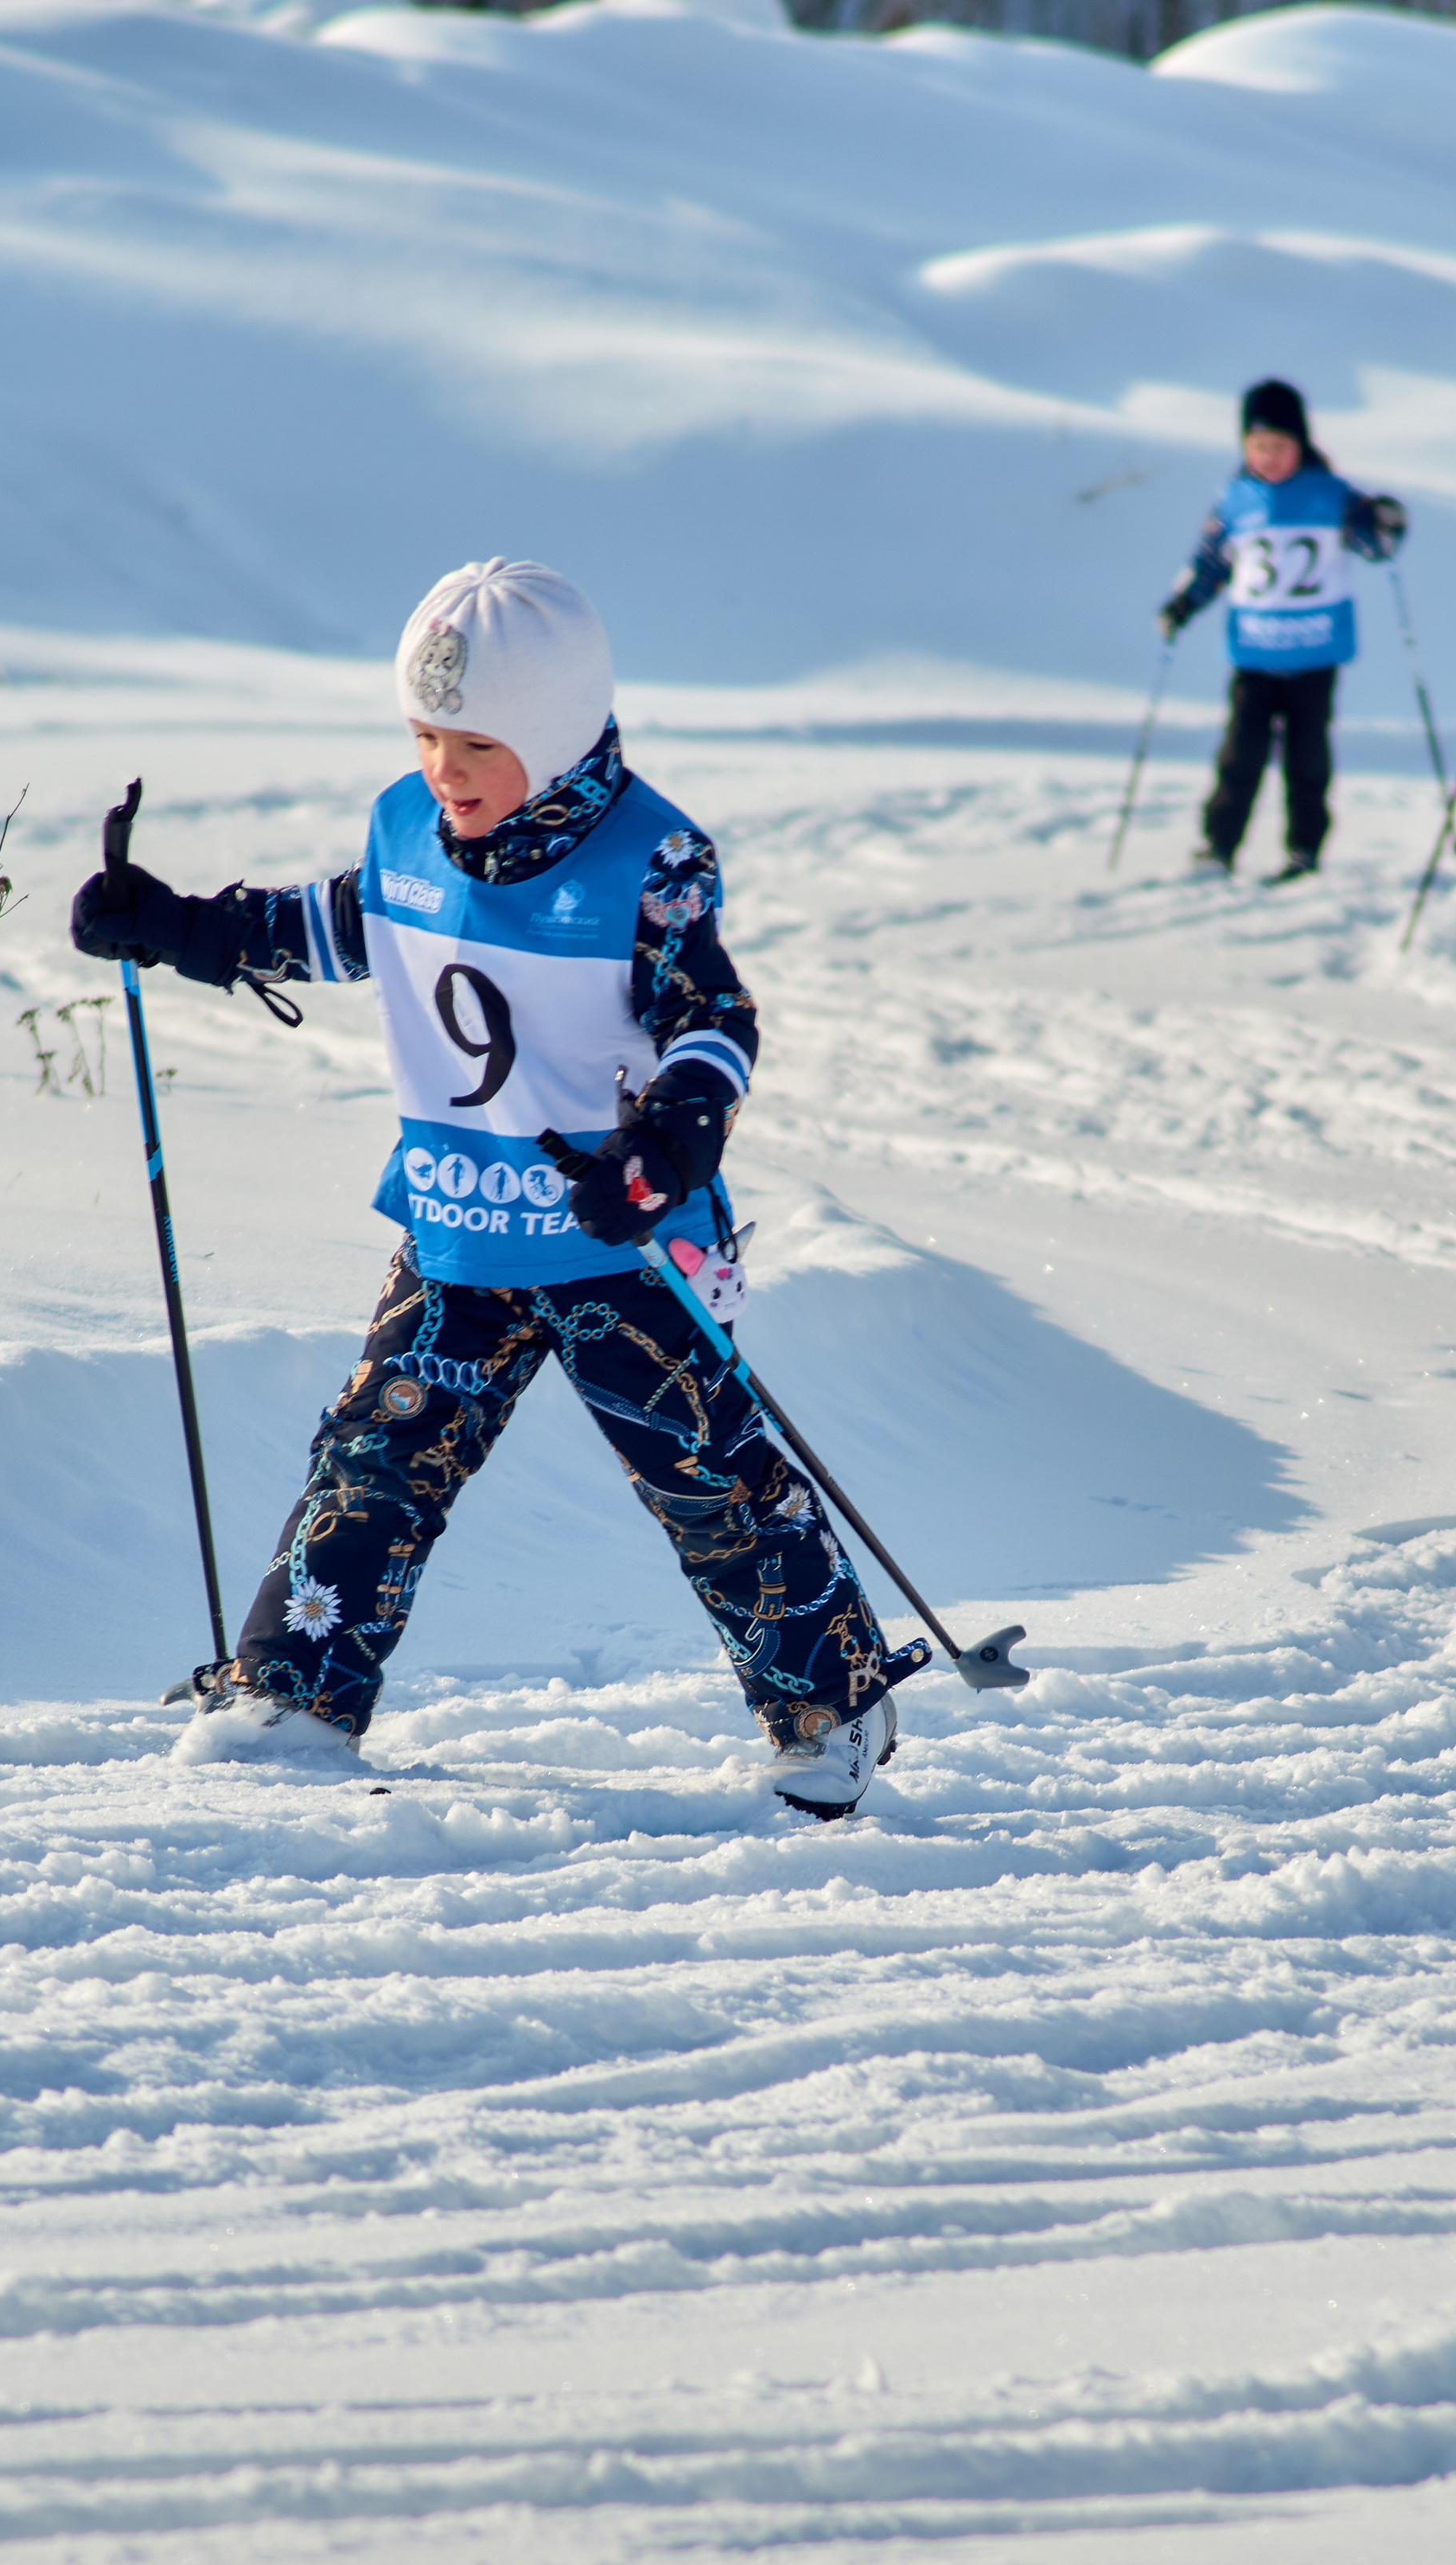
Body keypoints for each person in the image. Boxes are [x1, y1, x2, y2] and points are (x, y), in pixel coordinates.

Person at [70, 557, 910, 1819]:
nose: (443, 768)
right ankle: (292, 1698)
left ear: (559, 736)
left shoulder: (651, 857)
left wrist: (669, 1144)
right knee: (374, 1464)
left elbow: (712, 1020)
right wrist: (186, 927)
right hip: (458, 1231)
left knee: (709, 1480)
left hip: (618, 1243)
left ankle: (831, 1705)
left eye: (475, 742)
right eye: (423, 733)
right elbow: (343, 924)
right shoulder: (407, 825)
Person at [1158, 377, 1404, 883]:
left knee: (1307, 757)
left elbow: (1376, 547)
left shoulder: (1331, 494)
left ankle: (1304, 849)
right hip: (1254, 651)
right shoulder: (1234, 500)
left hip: (1315, 653)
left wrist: (1386, 520)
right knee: (1239, 755)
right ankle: (1219, 844)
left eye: (1281, 446)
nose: (1270, 457)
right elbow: (1209, 564)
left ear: (1302, 444)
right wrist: (1183, 603)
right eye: (1259, 446)